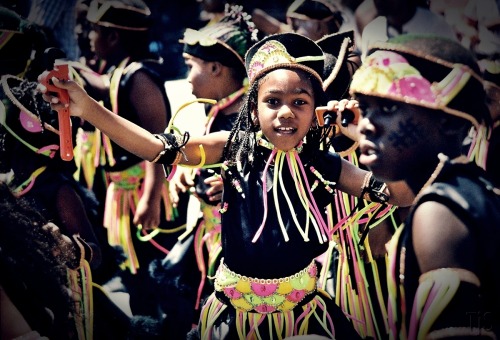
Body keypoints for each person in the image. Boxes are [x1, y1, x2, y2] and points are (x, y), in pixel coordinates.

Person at [39, 31, 414, 339]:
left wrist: (363, 134)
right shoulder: (232, 149)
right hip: (232, 320)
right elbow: (155, 147)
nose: (286, 112)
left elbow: (400, 195)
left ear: (315, 112)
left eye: (300, 101)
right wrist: (88, 109)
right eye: (273, 101)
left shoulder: (325, 164)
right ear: (253, 109)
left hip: (303, 320)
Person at [350, 34, 500, 337]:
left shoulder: (439, 212)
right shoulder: (469, 189)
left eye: (389, 108)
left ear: (449, 122)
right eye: (365, 108)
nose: (366, 123)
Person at [148, 5, 259, 338]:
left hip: (234, 247)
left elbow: (269, 177)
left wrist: (234, 187)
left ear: (215, 67)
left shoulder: (248, 122)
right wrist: (188, 172)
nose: (186, 79)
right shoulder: (219, 111)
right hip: (207, 234)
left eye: (190, 67)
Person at [79, 0, 189, 319]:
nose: (88, 37)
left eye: (94, 31)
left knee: (157, 273)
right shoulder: (119, 72)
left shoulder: (139, 77)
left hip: (144, 191)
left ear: (113, 38)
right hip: (123, 194)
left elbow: (160, 142)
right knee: (135, 277)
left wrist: (152, 197)